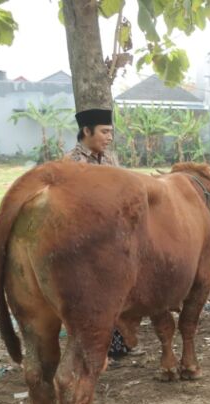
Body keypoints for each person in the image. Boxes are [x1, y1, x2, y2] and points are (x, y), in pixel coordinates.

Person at [65, 108, 128, 361]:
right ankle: (89, 348)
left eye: (111, 132)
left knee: (113, 292)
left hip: (111, 238)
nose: (109, 137)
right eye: (104, 132)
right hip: (83, 241)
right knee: (87, 295)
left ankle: (115, 345)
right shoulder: (70, 163)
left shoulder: (110, 160)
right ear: (86, 131)